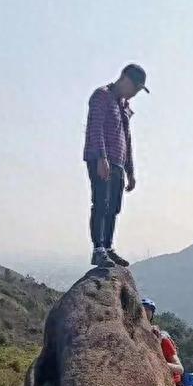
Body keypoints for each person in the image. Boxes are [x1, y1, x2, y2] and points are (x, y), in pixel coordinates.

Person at [83, 63, 149, 269]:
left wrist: (131, 171)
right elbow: (96, 129)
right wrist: (101, 158)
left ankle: (108, 247)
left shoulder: (124, 107)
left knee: (114, 207)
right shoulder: (101, 96)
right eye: (136, 88)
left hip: (119, 163)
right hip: (101, 159)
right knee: (101, 203)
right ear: (125, 79)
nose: (135, 94)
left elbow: (127, 140)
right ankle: (99, 249)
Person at [141, 299, 184, 386]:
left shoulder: (163, 339)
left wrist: (159, 363)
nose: (145, 312)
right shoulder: (136, 335)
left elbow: (180, 369)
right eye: (143, 309)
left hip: (171, 385)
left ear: (152, 314)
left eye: (148, 310)